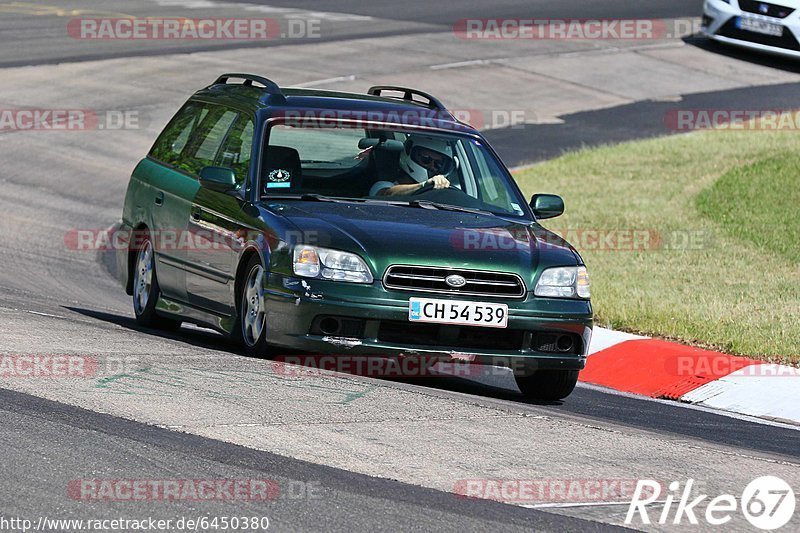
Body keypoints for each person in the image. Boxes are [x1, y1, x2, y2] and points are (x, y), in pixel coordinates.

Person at [369, 135, 455, 197]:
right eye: (426, 159)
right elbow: (387, 194)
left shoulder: (441, 192)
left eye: (438, 164)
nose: (432, 166)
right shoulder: (381, 185)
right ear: (408, 151)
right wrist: (424, 185)